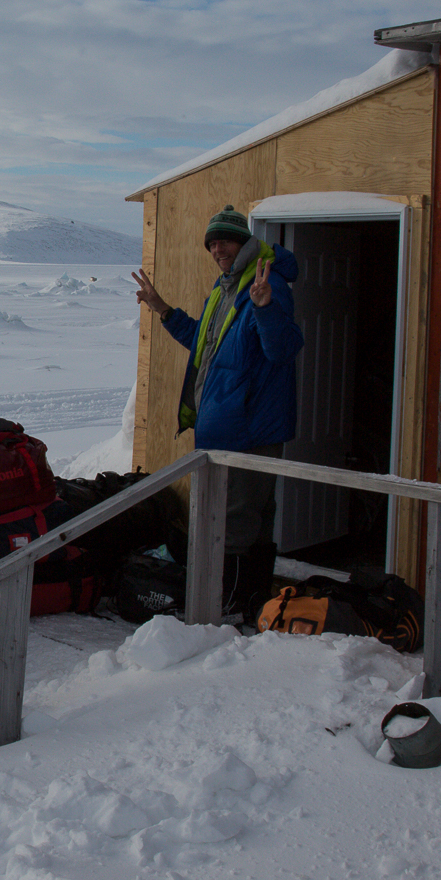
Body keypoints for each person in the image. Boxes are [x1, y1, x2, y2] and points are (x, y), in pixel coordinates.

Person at [133, 204, 303, 617]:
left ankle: (224, 606)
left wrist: (264, 307)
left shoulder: (267, 285)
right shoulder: (225, 287)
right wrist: (162, 308)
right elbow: (205, 344)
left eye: (224, 242)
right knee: (250, 519)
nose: (217, 250)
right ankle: (250, 601)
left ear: (243, 242)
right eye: (211, 244)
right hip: (229, 425)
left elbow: (283, 349)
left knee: (236, 522)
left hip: (250, 428)